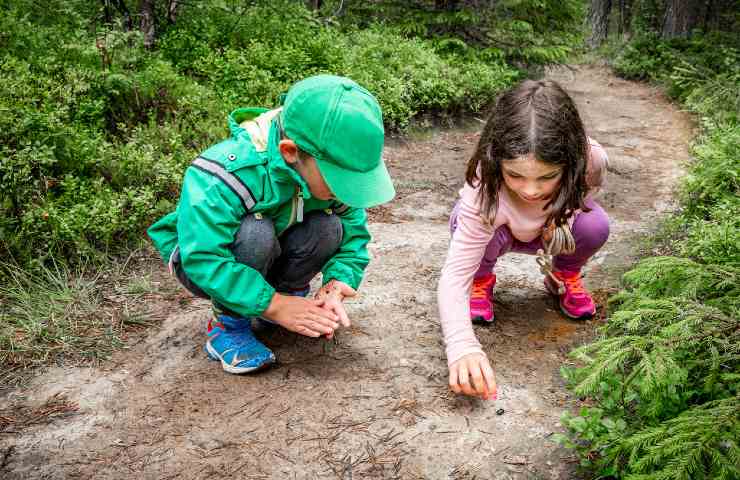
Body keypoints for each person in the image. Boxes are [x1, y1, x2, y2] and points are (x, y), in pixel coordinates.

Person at [148, 75, 395, 374]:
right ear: (291, 152)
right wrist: (276, 305)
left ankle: (280, 301)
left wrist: (338, 281)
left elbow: (353, 232)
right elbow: (204, 257)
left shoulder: (320, 169)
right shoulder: (227, 173)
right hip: (201, 261)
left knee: (328, 227)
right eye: (339, 180)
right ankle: (228, 324)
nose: (346, 191)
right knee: (255, 232)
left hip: (270, 248)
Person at [438, 79, 610, 400]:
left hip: (551, 233)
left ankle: (563, 273)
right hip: (498, 233)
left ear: (571, 162)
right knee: (464, 219)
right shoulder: (484, 179)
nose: (530, 190)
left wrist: (560, 218)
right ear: (496, 159)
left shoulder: (592, 160)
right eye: (515, 175)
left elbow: (586, 193)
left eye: (547, 177)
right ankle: (483, 278)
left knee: (595, 225)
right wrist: (461, 346)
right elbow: (453, 274)